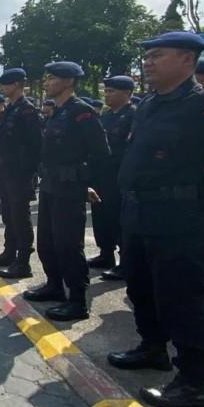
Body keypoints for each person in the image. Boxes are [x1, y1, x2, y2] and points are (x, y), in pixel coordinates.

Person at [107, 31, 204, 407]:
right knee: (141, 288)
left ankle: (194, 382)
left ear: (187, 60)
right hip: (139, 213)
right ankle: (152, 348)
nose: (148, 62)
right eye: (147, 56)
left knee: (182, 299)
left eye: (158, 55)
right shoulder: (149, 104)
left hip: (181, 219)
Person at [23, 61, 110, 322]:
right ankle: (54, 285)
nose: (46, 82)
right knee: (47, 241)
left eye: (52, 78)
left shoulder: (82, 112)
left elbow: (100, 154)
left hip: (70, 189)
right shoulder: (58, 112)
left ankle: (77, 301)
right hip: (51, 186)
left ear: (69, 81)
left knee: (68, 245)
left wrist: (86, 184)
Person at [0, 69, 42, 281]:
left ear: (17, 84)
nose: (3, 87)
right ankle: (9, 253)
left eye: (6, 83)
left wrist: (28, 173)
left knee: (20, 218)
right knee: (8, 215)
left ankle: (23, 262)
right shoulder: (11, 109)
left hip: (20, 174)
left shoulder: (27, 110)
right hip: (6, 172)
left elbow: (36, 145)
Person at [87, 76, 135, 281]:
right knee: (101, 217)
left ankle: (126, 263)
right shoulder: (106, 116)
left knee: (120, 220)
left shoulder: (133, 116)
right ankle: (106, 254)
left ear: (127, 93)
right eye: (106, 91)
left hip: (119, 177)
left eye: (112, 91)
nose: (107, 95)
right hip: (102, 176)